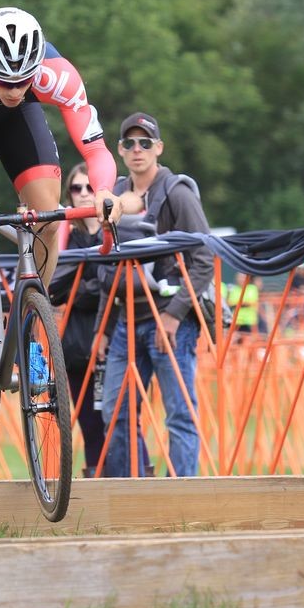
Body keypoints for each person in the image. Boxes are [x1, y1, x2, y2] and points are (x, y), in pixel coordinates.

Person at [0, 7, 121, 387]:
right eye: (4, 81)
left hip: (18, 117)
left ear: (35, 69)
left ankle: (27, 323)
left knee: (48, 210)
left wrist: (105, 192)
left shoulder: (57, 75)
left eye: (22, 81)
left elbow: (96, 151)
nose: (13, 90)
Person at [101, 112, 213, 478]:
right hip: (125, 320)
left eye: (145, 143)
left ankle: (184, 501)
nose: (137, 150)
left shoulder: (177, 192)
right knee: (115, 413)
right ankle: (131, 496)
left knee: (179, 413)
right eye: (130, 143)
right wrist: (104, 327)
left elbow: (204, 260)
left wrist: (175, 313)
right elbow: (107, 264)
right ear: (119, 150)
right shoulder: (114, 195)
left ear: (158, 148)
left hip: (170, 319)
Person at [47, 163, 107, 477]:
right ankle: (99, 485)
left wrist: (80, 288)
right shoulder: (66, 235)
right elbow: (53, 288)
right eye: (76, 188)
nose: (84, 194)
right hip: (75, 347)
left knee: (121, 420)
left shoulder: (116, 230)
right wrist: (91, 287)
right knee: (89, 425)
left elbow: (117, 286)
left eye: (90, 187)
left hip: (112, 340)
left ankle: (128, 483)